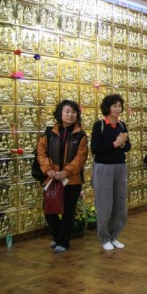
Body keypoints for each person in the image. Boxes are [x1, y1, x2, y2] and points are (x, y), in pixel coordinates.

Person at [37, 100, 88, 253]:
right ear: (60, 113)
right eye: (67, 111)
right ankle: (58, 235)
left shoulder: (80, 135)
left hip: (72, 180)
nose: (70, 115)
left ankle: (63, 241)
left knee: (68, 212)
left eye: (73, 112)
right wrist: (48, 170)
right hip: (52, 178)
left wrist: (65, 172)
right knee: (49, 210)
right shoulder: (49, 133)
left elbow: (80, 157)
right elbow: (41, 153)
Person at [90, 94, 131, 251]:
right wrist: (115, 143)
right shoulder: (99, 125)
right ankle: (104, 237)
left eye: (119, 106)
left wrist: (122, 144)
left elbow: (128, 147)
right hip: (104, 168)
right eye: (114, 106)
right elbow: (95, 148)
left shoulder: (122, 125)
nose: (118, 109)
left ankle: (114, 235)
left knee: (120, 204)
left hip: (120, 166)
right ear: (107, 108)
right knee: (104, 204)